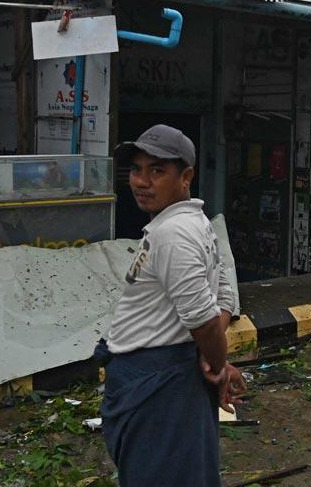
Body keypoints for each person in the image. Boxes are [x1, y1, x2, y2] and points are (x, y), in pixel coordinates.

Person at [97, 125, 245, 486]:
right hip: (169, 375)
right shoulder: (196, 223)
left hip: (156, 382)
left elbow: (207, 322)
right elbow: (222, 295)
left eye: (157, 171)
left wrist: (218, 363)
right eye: (136, 170)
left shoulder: (173, 234)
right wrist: (210, 357)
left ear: (186, 177)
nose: (141, 182)